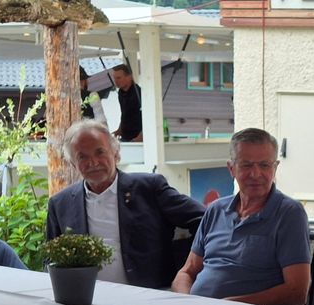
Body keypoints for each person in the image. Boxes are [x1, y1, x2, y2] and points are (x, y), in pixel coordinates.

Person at [46, 120, 206, 288]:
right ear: (73, 164)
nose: (93, 162)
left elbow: (206, 220)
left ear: (116, 153)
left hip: (150, 294)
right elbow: (51, 258)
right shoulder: (60, 204)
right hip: (87, 297)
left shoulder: (149, 188)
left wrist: (187, 266)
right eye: (82, 157)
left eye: (100, 152)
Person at [173, 128, 310, 305]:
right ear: (231, 168)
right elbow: (187, 272)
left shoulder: (289, 213)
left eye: (264, 165)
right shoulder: (215, 210)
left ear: (275, 168)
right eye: (246, 165)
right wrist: (187, 304)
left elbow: (296, 292)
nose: (255, 174)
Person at [110, 64, 142, 142]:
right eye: (114, 78)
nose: (116, 81)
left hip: (137, 137)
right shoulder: (120, 93)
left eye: (118, 78)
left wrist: (142, 134)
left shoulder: (138, 93)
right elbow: (125, 114)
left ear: (129, 77)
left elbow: (147, 115)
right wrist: (119, 129)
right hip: (125, 136)